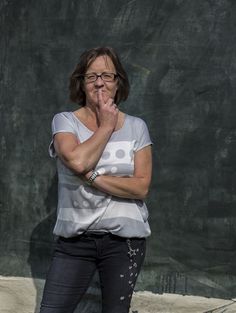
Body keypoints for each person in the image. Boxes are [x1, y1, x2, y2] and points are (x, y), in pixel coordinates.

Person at [40, 46, 152, 313]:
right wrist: (106, 126)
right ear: (81, 82)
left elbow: (141, 186)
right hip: (75, 243)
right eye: (91, 76)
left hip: (124, 244)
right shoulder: (65, 122)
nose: (99, 82)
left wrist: (91, 177)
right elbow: (77, 160)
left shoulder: (137, 127)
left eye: (107, 75)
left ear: (118, 82)